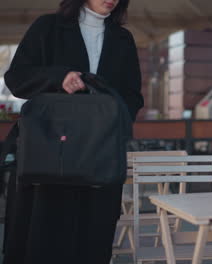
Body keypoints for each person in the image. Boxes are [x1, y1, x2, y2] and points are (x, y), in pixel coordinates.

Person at [3, 0, 144, 263]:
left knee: (93, 240)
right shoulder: (48, 27)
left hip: (101, 154)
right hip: (51, 153)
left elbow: (133, 95)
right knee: (44, 239)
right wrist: (59, 77)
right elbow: (17, 78)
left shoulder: (122, 38)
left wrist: (113, 120)